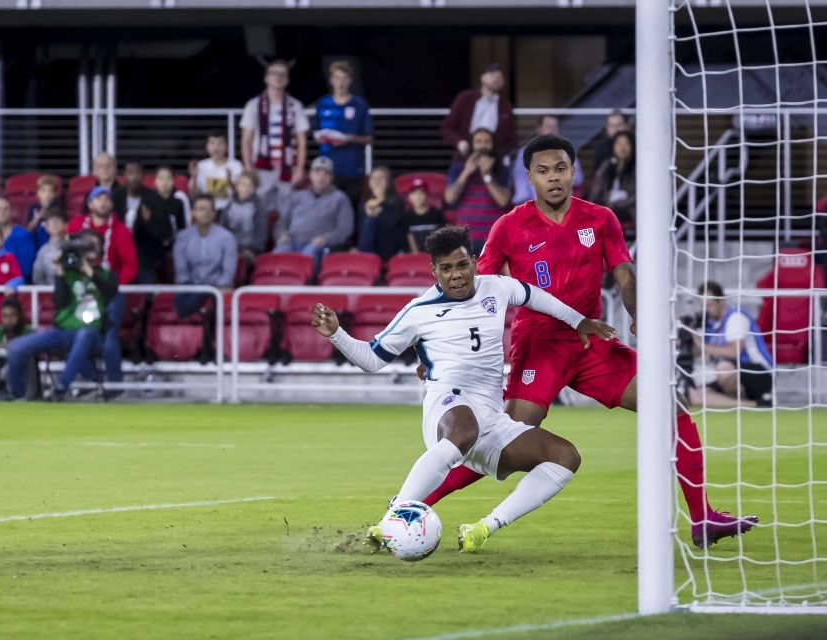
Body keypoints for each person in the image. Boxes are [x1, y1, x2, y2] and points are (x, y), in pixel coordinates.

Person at [424, 133, 759, 549]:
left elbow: (624, 273)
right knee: (506, 440)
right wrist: (441, 345)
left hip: (590, 342)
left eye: (561, 169)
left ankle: (702, 518)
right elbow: (477, 289)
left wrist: (639, 317)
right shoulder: (509, 226)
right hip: (538, 344)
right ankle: (415, 502)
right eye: (543, 171)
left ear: (573, 171)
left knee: (671, 406)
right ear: (530, 177)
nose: (554, 178)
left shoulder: (600, 218)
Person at [313, 225, 613, 553]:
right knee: (464, 428)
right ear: (434, 271)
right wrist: (337, 334)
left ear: (474, 261)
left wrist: (577, 320)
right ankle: (392, 520)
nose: (456, 275)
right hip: (447, 403)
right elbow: (373, 360)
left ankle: (484, 528)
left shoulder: (496, 288)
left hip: (491, 417)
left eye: (461, 265)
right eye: (446, 268)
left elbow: (535, 296)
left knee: (564, 456)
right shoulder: (419, 312)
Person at [6, 229, 119, 399]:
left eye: (91, 248)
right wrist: (60, 271)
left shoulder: (108, 275)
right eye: (84, 248)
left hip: (93, 332)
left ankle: (61, 387)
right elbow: (60, 303)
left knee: (85, 334)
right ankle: (16, 394)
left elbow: (110, 293)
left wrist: (90, 272)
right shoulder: (68, 274)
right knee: (15, 347)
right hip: (63, 330)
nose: (87, 252)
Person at [68, 186, 137, 379]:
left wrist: (111, 286)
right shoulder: (76, 225)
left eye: (107, 198)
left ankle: (116, 384)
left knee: (107, 334)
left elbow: (131, 266)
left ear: (112, 204)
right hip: (81, 289)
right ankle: (93, 380)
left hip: (110, 291)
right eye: (98, 198)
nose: (103, 202)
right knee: (70, 332)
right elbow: (68, 257)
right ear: (89, 204)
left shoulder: (121, 231)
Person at [240, 59, 310, 213]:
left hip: (286, 167)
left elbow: (302, 141)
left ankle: (283, 237)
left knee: (287, 210)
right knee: (258, 209)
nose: (278, 77)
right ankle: (260, 238)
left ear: (287, 80)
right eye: (274, 73)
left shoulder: (295, 106)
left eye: (282, 74)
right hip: (261, 167)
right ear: (266, 78)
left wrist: (299, 169)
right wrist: (248, 167)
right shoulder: (253, 105)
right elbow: (246, 140)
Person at [693, 281, 773, 408]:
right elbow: (697, 353)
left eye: (709, 305)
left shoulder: (735, 317)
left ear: (721, 302)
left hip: (759, 373)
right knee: (693, 394)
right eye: (702, 306)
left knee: (723, 369)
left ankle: (753, 398)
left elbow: (734, 351)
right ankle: (753, 404)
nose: (705, 310)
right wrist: (691, 335)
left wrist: (703, 346)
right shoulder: (712, 325)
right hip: (731, 375)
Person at [273, 156, 354, 272]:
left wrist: (326, 238)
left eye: (326, 174)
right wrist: (281, 235)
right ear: (310, 175)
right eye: (317, 173)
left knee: (309, 254)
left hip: (319, 245)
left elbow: (345, 229)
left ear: (332, 177)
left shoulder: (340, 199)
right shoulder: (297, 197)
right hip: (291, 241)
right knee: (278, 254)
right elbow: (281, 223)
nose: (321, 177)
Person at [314, 60, 373, 211]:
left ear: (350, 81)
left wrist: (350, 138)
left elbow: (369, 138)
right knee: (326, 210)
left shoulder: (360, 105)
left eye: (344, 78)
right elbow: (316, 132)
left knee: (351, 209)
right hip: (327, 169)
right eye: (337, 78)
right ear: (332, 80)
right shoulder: (322, 103)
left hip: (352, 168)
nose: (340, 82)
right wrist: (321, 137)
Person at [444, 128, 512, 256]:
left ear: (493, 145)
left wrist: (486, 174)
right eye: (478, 142)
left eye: (487, 142)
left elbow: (503, 201)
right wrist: (466, 172)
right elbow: (449, 198)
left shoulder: (502, 169)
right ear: (472, 145)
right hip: (466, 237)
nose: (482, 146)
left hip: (493, 237)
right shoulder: (459, 167)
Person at [173, 194, 237, 321]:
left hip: (216, 287)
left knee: (201, 297)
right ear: (193, 212)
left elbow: (228, 272)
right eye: (201, 209)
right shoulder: (183, 237)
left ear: (214, 213)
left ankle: (185, 313)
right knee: (186, 295)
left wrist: (220, 286)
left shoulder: (226, 237)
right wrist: (187, 284)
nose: (206, 213)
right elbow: (181, 270)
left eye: (209, 209)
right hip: (191, 286)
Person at [442, 64, 516, 163]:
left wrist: (499, 156)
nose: (496, 79)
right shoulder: (465, 98)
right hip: (464, 157)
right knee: (458, 178)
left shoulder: (506, 107)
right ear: (482, 78)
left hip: (492, 160)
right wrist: (459, 142)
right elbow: (448, 127)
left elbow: (510, 139)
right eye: (492, 75)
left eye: (500, 77)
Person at [513, 116, 584, 205]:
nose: (552, 130)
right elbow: (521, 188)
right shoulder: (524, 153)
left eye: (555, 127)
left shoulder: (568, 152)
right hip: (534, 205)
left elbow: (577, 179)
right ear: (539, 129)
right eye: (548, 126)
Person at [356, 166, 406, 261]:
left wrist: (380, 202)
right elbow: (361, 232)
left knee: (371, 219)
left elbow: (390, 224)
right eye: (373, 178)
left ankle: (364, 257)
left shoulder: (398, 202)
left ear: (388, 182)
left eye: (381, 178)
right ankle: (364, 257)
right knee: (369, 220)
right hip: (370, 247)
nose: (376, 181)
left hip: (390, 246)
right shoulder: (364, 205)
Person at [589, 130, 636, 228]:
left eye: (626, 143)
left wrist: (616, 205)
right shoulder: (607, 165)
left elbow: (636, 196)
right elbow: (597, 189)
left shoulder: (636, 167)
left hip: (627, 208)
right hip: (607, 205)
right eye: (619, 144)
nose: (622, 147)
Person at [220, 170, 268, 261]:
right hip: (230, 246)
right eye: (243, 184)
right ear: (237, 186)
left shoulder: (258, 206)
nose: (246, 188)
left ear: (255, 189)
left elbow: (261, 232)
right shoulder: (229, 205)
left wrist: (252, 248)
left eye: (250, 186)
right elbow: (223, 228)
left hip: (250, 248)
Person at [189, 133, 243, 211]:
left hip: (230, 209)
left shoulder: (236, 166)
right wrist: (194, 177)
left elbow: (242, 196)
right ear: (207, 147)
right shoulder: (200, 166)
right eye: (212, 143)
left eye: (220, 143)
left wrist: (230, 182)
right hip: (206, 210)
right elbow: (193, 196)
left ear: (227, 146)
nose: (216, 147)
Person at [0, 195, 35, 283]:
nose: (2, 212)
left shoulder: (23, 235)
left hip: (16, 287)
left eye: (5, 209)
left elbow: (25, 267)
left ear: (11, 212)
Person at [400, 178, 446, 254]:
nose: (418, 196)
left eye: (421, 193)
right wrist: (417, 255)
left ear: (427, 195)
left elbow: (442, 237)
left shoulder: (437, 214)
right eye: (414, 193)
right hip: (415, 259)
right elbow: (408, 237)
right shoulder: (406, 217)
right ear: (409, 197)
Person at [25, 174, 62, 250]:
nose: (47, 194)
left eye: (50, 191)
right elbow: (28, 228)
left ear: (54, 194)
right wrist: (37, 218)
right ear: (38, 193)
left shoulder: (58, 208)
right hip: (36, 243)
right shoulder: (33, 208)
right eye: (44, 191)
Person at [85, 153, 126, 219]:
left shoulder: (125, 193)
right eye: (101, 166)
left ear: (115, 168)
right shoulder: (89, 195)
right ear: (95, 170)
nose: (105, 169)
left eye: (108, 165)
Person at [32, 208, 66, 286]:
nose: (55, 224)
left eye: (58, 221)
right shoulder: (43, 251)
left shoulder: (72, 247)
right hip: (50, 292)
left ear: (64, 225)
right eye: (51, 222)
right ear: (47, 228)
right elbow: (37, 278)